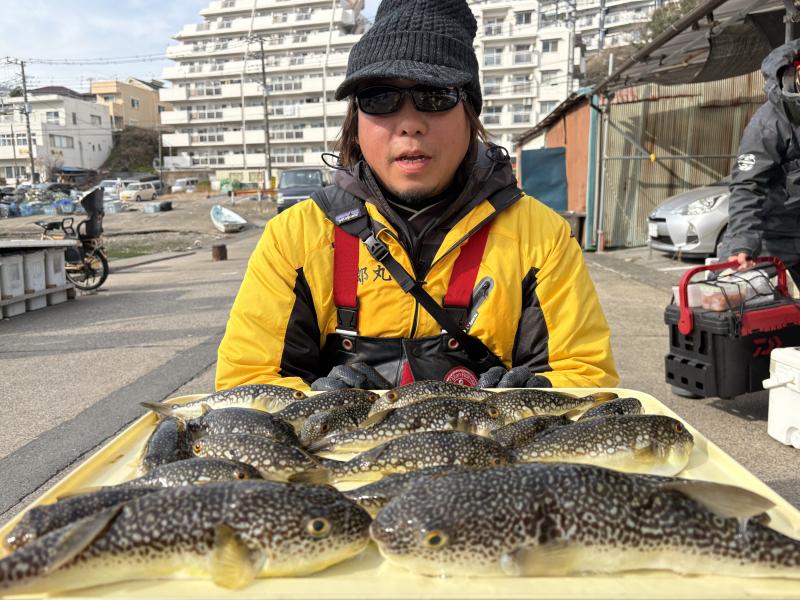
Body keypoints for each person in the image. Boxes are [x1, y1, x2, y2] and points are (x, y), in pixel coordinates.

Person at [215, 0, 618, 392]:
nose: (409, 123)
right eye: (379, 97)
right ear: (355, 122)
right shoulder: (295, 237)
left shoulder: (540, 237)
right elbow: (247, 385)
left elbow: (585, 379)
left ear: (470, 114)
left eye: (436, 95)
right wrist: (317, 402)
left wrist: (532, 392)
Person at [720, 38, 800, 285]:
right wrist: (744, 242)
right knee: (729, 297)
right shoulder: (769, 122)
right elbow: (747, 185)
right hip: (771, 233)